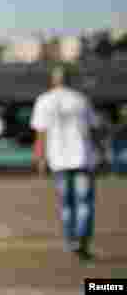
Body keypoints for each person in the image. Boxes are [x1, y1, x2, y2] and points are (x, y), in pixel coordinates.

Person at [30, 66, 102, 262]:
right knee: (84, 202)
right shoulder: (81, 99)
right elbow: (94, 129)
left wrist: (40, 158)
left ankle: (71, 240)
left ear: (53, 80)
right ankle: (81, 241)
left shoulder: (43, 101)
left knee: (66, 204)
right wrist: (99, 152)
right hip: (82, 157)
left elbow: (40, 134)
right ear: (70, 80)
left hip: (59, 159)